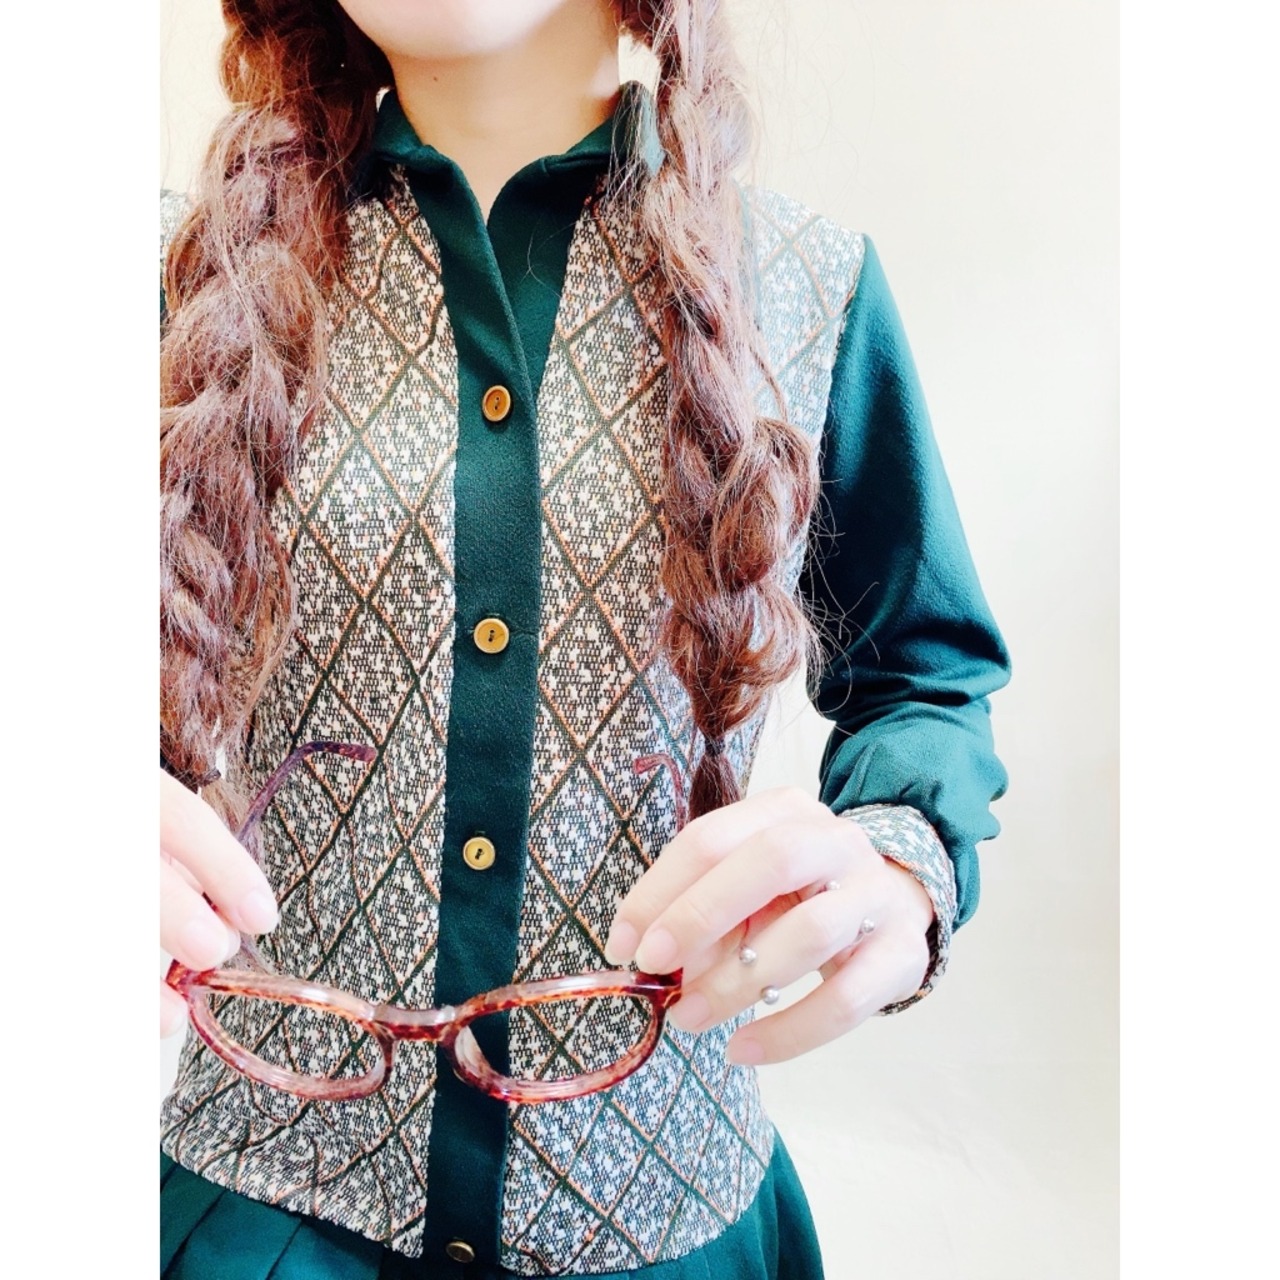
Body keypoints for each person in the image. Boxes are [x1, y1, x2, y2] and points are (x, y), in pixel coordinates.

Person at [159, 1, 1010, 1277]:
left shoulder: (806, 283)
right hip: (264, 1203)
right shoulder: (179, 278)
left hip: (660, 1208)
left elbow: (921, 674)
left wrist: (899, 858)